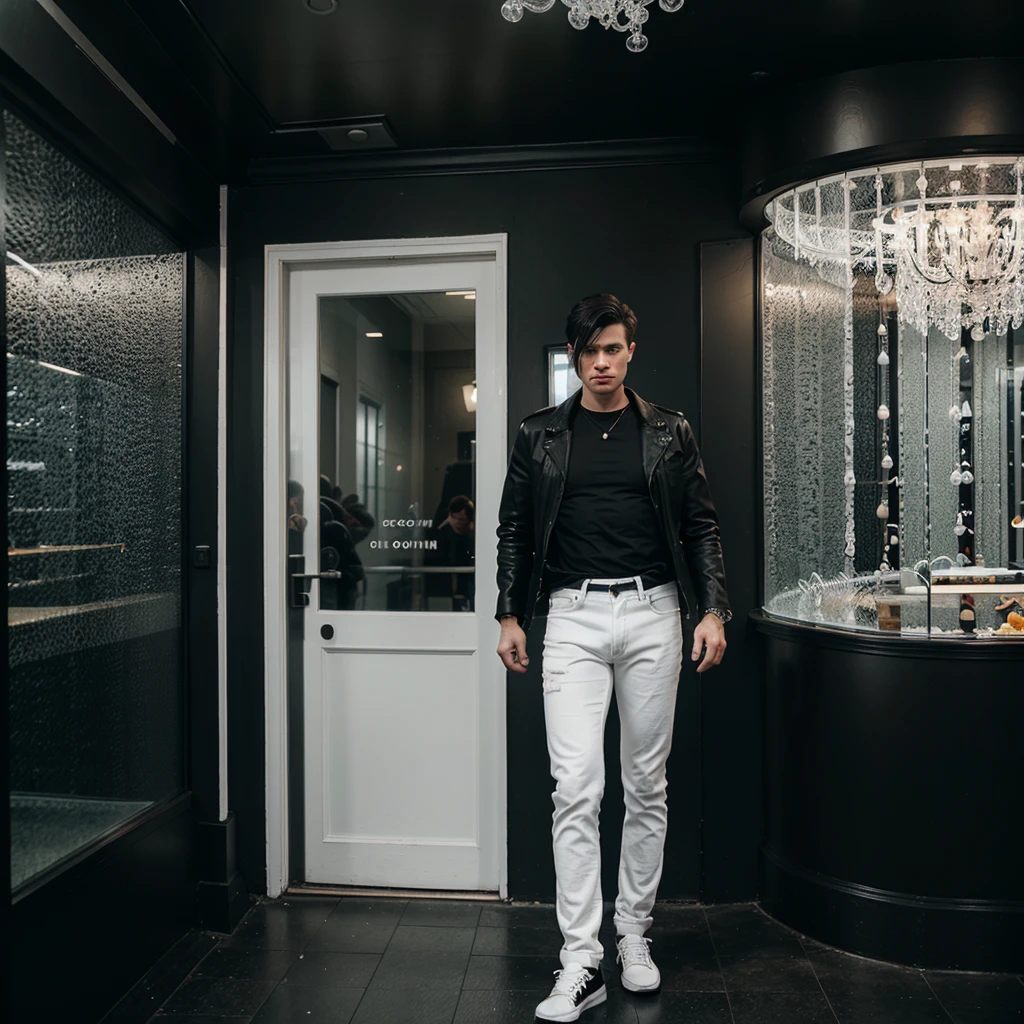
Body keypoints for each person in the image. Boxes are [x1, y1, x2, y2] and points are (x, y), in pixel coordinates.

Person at [494, 294, 731, 1022]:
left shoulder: (669, 432)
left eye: (614, 349)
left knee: (646, 784)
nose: (602, 362)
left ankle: (632, 934)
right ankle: (580, 957)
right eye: (590, 350)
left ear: (631, 353)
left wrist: (714, 608)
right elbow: (512, 529)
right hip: (570, 617)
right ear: (574, 355)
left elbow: (700, 526)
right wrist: (508, 612)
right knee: (577, 789)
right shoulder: (539, 436)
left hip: (655, 613)